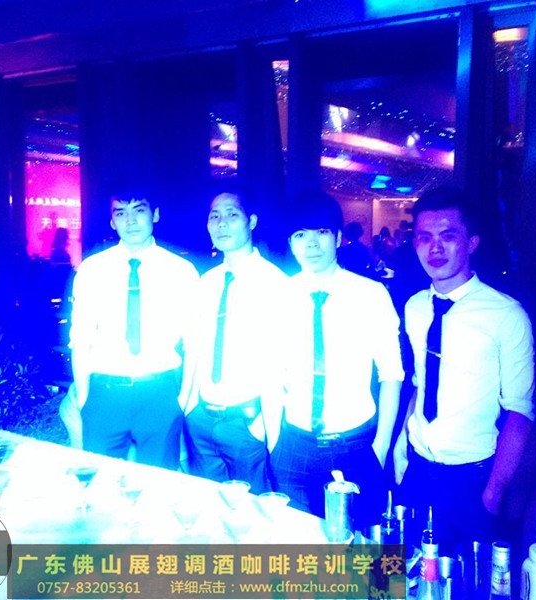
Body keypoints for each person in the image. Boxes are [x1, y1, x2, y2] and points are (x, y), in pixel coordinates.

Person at [394, 186, 535, 548]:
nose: (435, 248)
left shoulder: (506, 315)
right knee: (400, 570)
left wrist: (494, 490)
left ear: (471, 243)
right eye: (424, 238)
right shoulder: (414, 307)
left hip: (474, 479)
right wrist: (400, 448)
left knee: (468, 577)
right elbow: (421, 382)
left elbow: (520, 411)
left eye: (447, 236)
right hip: (418, 469)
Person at [271, 190, 403, 529]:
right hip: (293, 444)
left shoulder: (371, 295)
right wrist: (274, 442)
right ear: (291, 243)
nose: (311, 244)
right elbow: (269, 374)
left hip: (356, 446)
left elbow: (392, 374)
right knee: (296, 546)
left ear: (339, 237)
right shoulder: (279, 296)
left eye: (321, 232)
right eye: (300, 235)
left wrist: (380, 448)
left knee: (362, 551)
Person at [69, 189, 199, 469]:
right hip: (104, 394)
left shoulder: (181, 271)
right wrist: (84, 399)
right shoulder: (92, 270)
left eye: (139, 210)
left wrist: (182, 399)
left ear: (155, 214)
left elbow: (194, 341)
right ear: (112, 222)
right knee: (101, 482)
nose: (130, 220)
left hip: (159, 394)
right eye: (120, 213)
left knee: (159, 484)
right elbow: (80, 338)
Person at [182, 191, 289, 494]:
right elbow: (195, 347)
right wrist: (189, 407)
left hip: (246, 422)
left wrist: (264, 425)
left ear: (251, 221)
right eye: (214, 216)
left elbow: (282, 363)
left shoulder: (275, 283)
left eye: (232, 214)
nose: (222, 223)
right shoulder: (206, 283)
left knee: (252, 513)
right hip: (201, 418)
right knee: (207, 507)